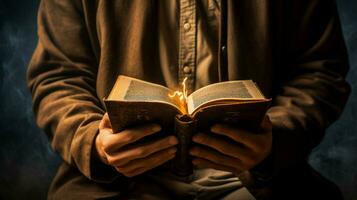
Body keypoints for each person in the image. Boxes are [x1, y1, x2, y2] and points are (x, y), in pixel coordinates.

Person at [27, 0, 350, 199]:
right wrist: (94, 143)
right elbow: (58, 77)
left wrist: (274, 141)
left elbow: (320, 72)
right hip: (119, 184)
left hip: (258, 182)